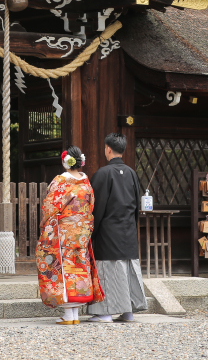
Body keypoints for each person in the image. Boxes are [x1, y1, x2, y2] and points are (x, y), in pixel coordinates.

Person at [36, 145, 104, 325]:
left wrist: (44, 223)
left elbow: (50, 206)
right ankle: (74, 314)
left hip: (64, 233)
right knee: (79, 266)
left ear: (66, 162)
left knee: (65, 268)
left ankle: (68, 315)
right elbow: (90, 206)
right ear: (80, 162)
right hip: (82, 232)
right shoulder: (86, 182)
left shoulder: (60, 181)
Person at [86, 133, 148, 323]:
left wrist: (91, 232)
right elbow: (136, 205)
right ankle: (128, 311)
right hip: (128, 229)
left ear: (108, 149)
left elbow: (96, 208)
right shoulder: (131, 173)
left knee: (109, 271)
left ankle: (105, 312)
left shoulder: (102, 174)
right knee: (128, 270)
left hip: (108, 231)